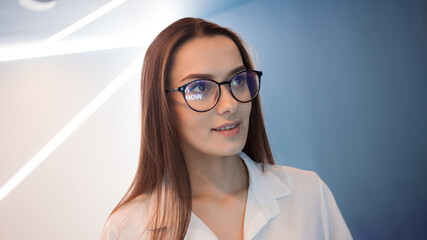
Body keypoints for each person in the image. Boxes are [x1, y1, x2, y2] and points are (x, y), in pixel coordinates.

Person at [101, 17, 353, 240]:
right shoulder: (128, 230)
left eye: (238, 80)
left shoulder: (308, 195)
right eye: (200, 87)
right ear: (162, 104)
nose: (230, 104)